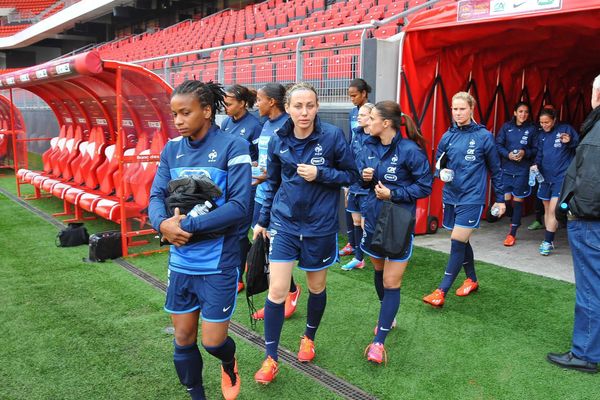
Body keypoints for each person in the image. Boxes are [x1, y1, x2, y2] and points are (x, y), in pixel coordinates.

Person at [148, 80, 251, 400]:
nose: (177, 120)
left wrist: (188, 225)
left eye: (185, 112)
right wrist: (162, 223)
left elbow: (240, 206)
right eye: (174, 114)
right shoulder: (171, 149)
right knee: (182, 338)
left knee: (213, 342)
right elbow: (155, 195)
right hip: (180, 262)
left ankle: (228, 361)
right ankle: (197, 394)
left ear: (206, 111)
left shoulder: (234, 146)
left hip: (218, 262)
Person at [252, 82, 358, 384]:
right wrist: (263, 219)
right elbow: (271, 182)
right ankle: (270, 358)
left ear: (317, 106)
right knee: (276, 291)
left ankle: (308, 337)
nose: (304, 112)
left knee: (316, 287)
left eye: (310, 105)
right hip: (284, 224)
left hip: (319, 227)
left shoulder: (333, 136)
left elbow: (351, 175)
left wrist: (320, 174)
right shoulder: (277, 139)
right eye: (298, 106)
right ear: (287, 108)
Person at [359, 101, 432, 363]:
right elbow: (362, 181)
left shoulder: (410, 150)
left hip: (398, 224)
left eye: (372, 118)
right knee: (378, 271)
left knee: (392, 282)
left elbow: (425, 187)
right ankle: (387, 317)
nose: (367, 122)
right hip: (373, 219)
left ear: (386, 123)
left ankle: (379, 342)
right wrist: (365, 178)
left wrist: (395, 194)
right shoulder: (368, 145)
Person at [423, 91, 505, 308]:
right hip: (451, 196)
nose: (458, 113)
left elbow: (496, 170)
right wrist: (440, 173)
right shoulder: (447, 136)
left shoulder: (484, 136)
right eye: (454, 109)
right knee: (462, 240)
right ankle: (472, 279)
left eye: (462, 109)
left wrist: (501, 199)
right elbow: (437, 165)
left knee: (457, 241)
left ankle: (441, 291)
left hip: (472, 198)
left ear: (471, 109)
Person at [547, 74, 600, 374]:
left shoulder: (596, 134)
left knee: (591, 289)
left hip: (591, 224)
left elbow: (591, 186)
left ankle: (585, 353)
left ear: (596, 95)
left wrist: (570, 210)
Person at [250, 83, 302, 321]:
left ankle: (290, 291)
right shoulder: (266, 124)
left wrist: (268, 176)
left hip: (279, 198)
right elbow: (266, 160)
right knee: (264, 247)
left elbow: (287, 168)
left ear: (271, 101)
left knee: (276, 250)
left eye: (259, 99)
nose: (256, 104)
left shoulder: (287, 126)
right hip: (263, 192)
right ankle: (276, 296)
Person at [221, 84, 263, 293]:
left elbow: (260, 158)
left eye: (228, 103)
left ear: (243, 104)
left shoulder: (255, 125)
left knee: (239, 232)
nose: (225, 107)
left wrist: (253, 164)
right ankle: (244, 262)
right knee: (233, 232)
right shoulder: (227, 123)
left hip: (249, 187)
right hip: (230, 185)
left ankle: (239, 277)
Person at [531, 107, 579, 256]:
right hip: (545, 178)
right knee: (547, 209)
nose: (544, 125)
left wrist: (570, 141)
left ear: (554, 120)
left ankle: (547, 241)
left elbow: (579, 146)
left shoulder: (565, 129)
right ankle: (550, 238)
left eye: (547, 122)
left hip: (561, 177)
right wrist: (535, 165)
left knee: (553, 209)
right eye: (541, 122)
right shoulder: (541, 135)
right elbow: (539, 153)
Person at [495, 101, 537, 246]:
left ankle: (512, 234)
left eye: (526, 112)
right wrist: (508, 155)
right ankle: (515, 219)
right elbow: (498, 145)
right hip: (506, 169)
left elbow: (537, 149)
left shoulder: (532, 129)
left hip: (522, 171)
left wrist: (525, 153)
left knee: (517, 201)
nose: (523, 114)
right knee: (506, 201)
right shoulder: (507, 127)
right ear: (515, 113)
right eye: (520, 111)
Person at [340, 78, 372, 258]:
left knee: (364, 216)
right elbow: (352, 139)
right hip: (354, 165)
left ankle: (364, 249)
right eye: (349, 95)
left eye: (354, 95)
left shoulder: (372, 111)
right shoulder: (353, 113)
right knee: (350, 209)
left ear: (364, 94)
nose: (351, 98)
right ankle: (352, 244)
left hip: (366, 171)